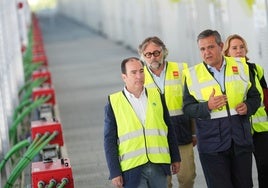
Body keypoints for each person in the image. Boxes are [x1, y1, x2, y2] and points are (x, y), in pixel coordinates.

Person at [182, 29, 261, 188]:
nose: (206, 52)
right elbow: (188, 108)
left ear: (221, 46)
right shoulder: (192, 74)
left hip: (240, 140)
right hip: (212, 146)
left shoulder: (241, 67)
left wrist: (248, 106)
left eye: (210, 47)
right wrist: (207, 106)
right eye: (202, 49)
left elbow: (255, 97)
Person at [104, 57, 181, 188]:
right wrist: (114, 171)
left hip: (158, 164)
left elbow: (169, 129)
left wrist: (175, 157)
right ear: (124, 77)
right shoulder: (114, 102)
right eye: (133, 72)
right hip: (132, 169)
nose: (139, 76)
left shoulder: (157, 95)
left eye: (141, 71)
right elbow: (109, 140)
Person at [138, 36, 196, 188]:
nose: (153, 57)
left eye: (156, 53)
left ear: (164, 52)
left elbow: (192, 101)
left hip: (181, 132)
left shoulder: (181, 69)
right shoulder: (140, 77)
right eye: (148, 54)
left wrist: (194, 132)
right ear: (143, 57)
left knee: (187, 177)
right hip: (157, 136)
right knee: (164, 182)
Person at [223, 34, 268, 188]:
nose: (239, 50)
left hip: (261, 127)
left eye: (241, 47)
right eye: (234, 48)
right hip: (239, 128)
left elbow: (266, 96)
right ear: (227, 51)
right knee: (242, 172)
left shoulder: (256, 69)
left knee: (265, 166)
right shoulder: (223, 72)